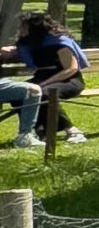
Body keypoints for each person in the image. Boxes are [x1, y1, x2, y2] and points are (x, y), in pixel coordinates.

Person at [6, 14, 88, 148]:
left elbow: (71, 69)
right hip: (41, 78)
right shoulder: (31, 43)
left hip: (68, 80)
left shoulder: (59, 42)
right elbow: (18, 51)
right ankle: (35, 132)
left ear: (34, 28)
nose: (20, 30)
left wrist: (44, 83)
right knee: (18, 94)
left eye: (24, 27)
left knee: (44, 94)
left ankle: (73, 131)